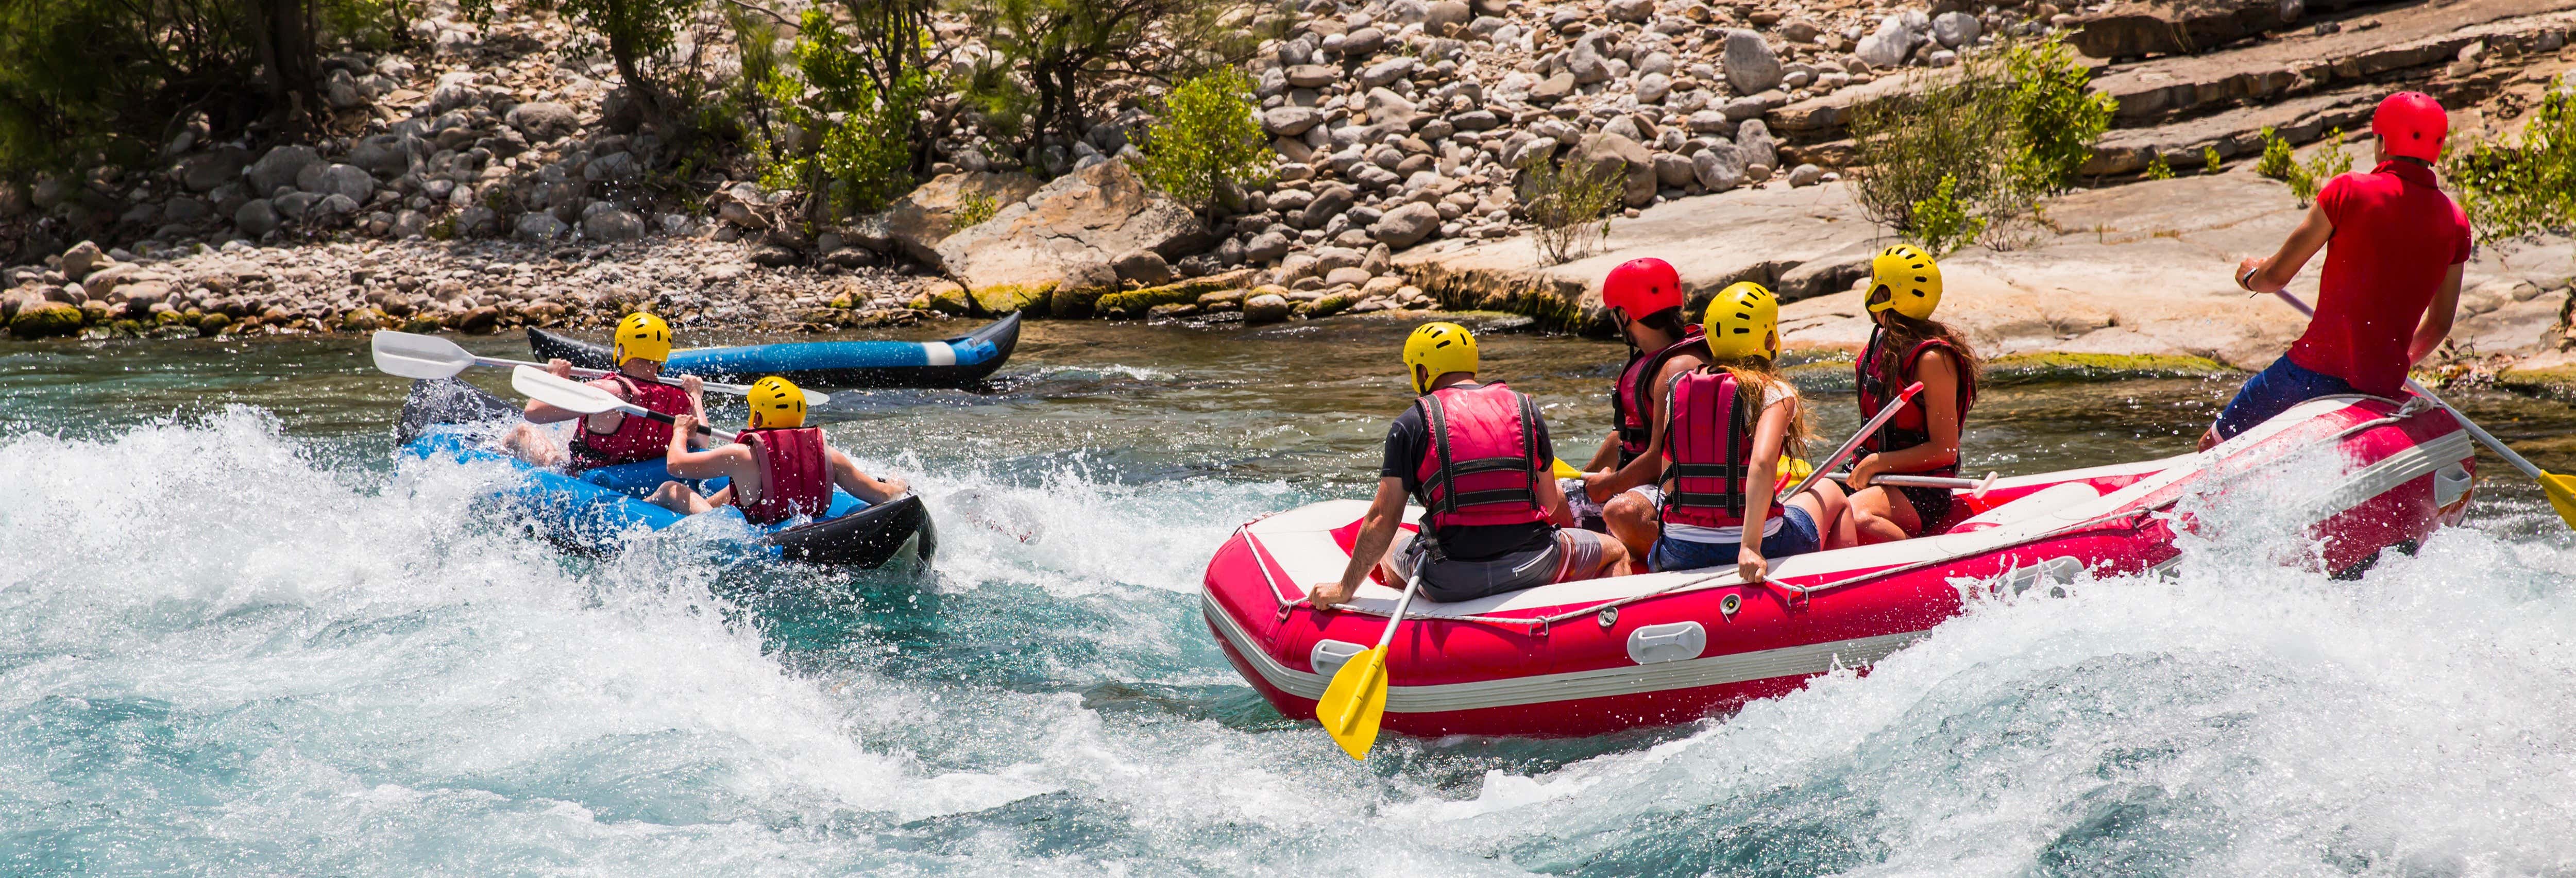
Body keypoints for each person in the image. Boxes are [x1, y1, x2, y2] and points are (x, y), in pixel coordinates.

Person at [2201, 91, 2472, 450]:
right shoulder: (2456, 222)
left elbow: (2276, 277)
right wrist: (2395, 362)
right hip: (2381, 386)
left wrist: (2250, 275)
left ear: (2382, 141)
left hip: (2310, 373)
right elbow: (2439, 324)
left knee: (2212, 447)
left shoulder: (2348, 191)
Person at [1306, 323, 1628, 608]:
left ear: (1422, 372)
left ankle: (1431, 619)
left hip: (1451, 582)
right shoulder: (1526, 408)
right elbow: (1550, 502)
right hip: (1534, 564)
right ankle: (1608, 633)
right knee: (1615, 550)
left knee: (1391, 546)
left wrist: (1344, 588)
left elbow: (1381, 519)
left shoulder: (1411, 423)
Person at [1647, 282, 1848, 581]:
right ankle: (1841, 592)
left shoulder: (1677, 390)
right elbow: (1764, 463)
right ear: (1769, 338)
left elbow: (1668, 482)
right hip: (1759, 543)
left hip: (1679, 549)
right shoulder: (1772, 392)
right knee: (1832, 492)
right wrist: (1749, 547)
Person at [1575, 257, 1710, 563]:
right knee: (1557, 497)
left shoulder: (1679, 368)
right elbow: (1626, 437)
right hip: (1644, 480)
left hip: (1677, 485)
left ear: (1625, 314)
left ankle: (1663, 561)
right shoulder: (1650, 359)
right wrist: (1587, 477)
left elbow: (1661, 459)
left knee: (1622, 512)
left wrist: (1610, 484)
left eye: (1615, 313)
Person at [1845, 244, 1981, 543]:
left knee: (1853, 518)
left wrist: (1877, 462)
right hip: (1872, 475)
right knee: (1811, 508)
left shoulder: (1932, 359)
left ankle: (1918, 564)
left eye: (1875, 283)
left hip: (1920, 488)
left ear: (1887, 295)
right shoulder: (1881, 344)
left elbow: (1945, 450)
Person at [647, 376, 911, 522]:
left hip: (751, 538)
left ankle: (645, 510)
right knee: (733, 491)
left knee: (671, 489)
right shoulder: (830, 457)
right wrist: (898, 485)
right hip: (800, 530)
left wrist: (680, 430)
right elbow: (883, 495)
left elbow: (676, 465)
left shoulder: (741, 456)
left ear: (758, 419)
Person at [504, 312, 707, 471]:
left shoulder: (608, 390)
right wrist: (697, 395)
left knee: (522, 431)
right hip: (637, 481)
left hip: (585, 480)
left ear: (622, 349)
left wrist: (555, 378)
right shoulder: (683, 400)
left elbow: (533, 413)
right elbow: (703, 441)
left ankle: (494, 454)